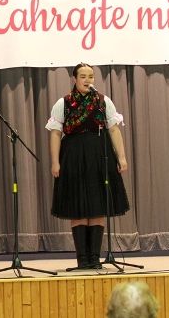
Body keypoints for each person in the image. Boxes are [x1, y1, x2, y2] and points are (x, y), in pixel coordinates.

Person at [46, 63, 130, 269]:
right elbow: (55, 133)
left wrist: (122, 157)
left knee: (97, 204)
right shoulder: (63, 103)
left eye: (90, 76)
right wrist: (55, 161)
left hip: (99, 155)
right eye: (83, 76)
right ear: (74, 79)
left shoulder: (103, 101)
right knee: (78, 206)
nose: (87, 80)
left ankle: (95, 258)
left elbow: (114, 130)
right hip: (73, 156)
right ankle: (83, 259)